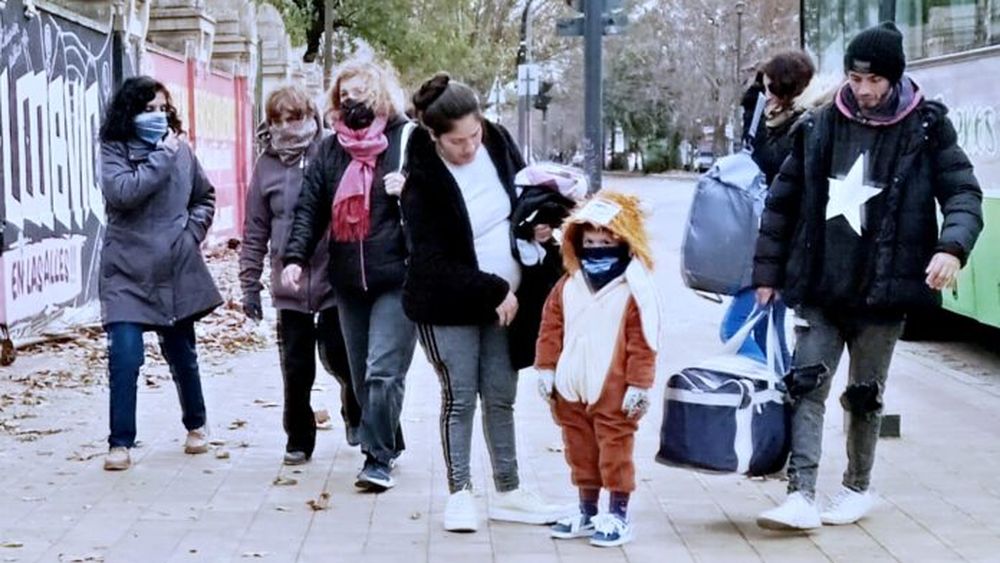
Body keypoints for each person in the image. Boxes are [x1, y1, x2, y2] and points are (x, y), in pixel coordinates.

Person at [753, 22, 983, 530]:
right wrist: (766, 274)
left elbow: (964, 192)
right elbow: (781, 203)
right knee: (807, 385)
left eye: (874, 80)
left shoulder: (926, 128)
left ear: (894, 78)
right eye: (855, 78)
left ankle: (856, 488)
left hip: (885, 290)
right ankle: (800, 494)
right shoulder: (818, 125)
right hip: (820, 284)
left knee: (863, 394)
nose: (863, 89)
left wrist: (952, 248)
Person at [401, 72, 568, 532]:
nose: (469, 147)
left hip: (505, 303)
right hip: (448, 303)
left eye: (474, 134)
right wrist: (493, 289)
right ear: (434, 136)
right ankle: (460, 493)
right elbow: (431, 260)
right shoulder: (422, 181)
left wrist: (538, 226)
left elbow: (525, 198)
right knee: (460, 397)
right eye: (457, 142)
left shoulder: (497, 141)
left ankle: (509, 490)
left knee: (500, 395)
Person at [282, 59, 416, 492]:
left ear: (381, 94)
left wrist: (409, 190)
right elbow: (309, 208)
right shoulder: (330, 150)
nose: (353, 102)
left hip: (397, 276)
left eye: (361, 93)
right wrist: (295, 258)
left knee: (382, 370)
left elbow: (439, 200)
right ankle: (389, 437)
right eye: (345, 95)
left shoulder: (407, 140)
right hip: (348, 281)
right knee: (360, 377)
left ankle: (377, 459)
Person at [98, 76, 223, 471]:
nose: (157, 116)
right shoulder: (114, 150)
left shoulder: (181, 151)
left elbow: (204, 197)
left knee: (182, 353)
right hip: (125, 272)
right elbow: (123, 192)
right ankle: (120, 443)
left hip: (173, 268)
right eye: (148, 109)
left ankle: (196, 423)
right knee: (124, 356)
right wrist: (162, 155)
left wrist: (190, 235)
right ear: (129, 112)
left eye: (162, 109)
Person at [239, 84, 362, 466]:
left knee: (340, 356)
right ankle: (298, 438)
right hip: (289, 283)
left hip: (333, 275)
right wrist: (249, 285)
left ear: (311, 116)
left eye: (294, 117)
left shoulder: (330, 151)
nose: (285, 126)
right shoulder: (266, 165)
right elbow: (255, 228)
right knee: (296, 366)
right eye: (277, 119)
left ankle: (356, 410)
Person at [535, 192, 660, 548]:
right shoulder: (567, 285)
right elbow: (550, 328)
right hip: (570, 386)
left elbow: (643, 340)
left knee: (615, 450)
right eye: (589, 242)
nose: (597, 249)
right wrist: (546, 368)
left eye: (606, 242)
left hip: (614, 388)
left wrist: (639, 383)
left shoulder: (634, 290)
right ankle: (587, 510)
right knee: (580, 450)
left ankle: (618, 512)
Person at [722, 50, 827, 364]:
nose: (765, 95)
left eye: (769, 88)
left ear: (787, 88)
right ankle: (781, 387)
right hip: (777, 246)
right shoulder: (791, 120)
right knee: (767, 330)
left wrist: (754, 118)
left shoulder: (800, 126)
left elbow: (767, 165)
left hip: (780, 247)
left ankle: (774, 384)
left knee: (733, 329)